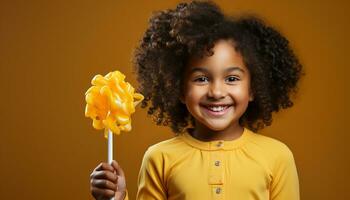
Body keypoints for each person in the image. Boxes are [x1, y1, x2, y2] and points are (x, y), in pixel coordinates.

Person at [89, 1, 303, 199]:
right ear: (178, 89)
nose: (216, 92)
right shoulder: (159, 158)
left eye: (231, 78)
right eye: (201, 78)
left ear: (253, 88)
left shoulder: (277, 157)